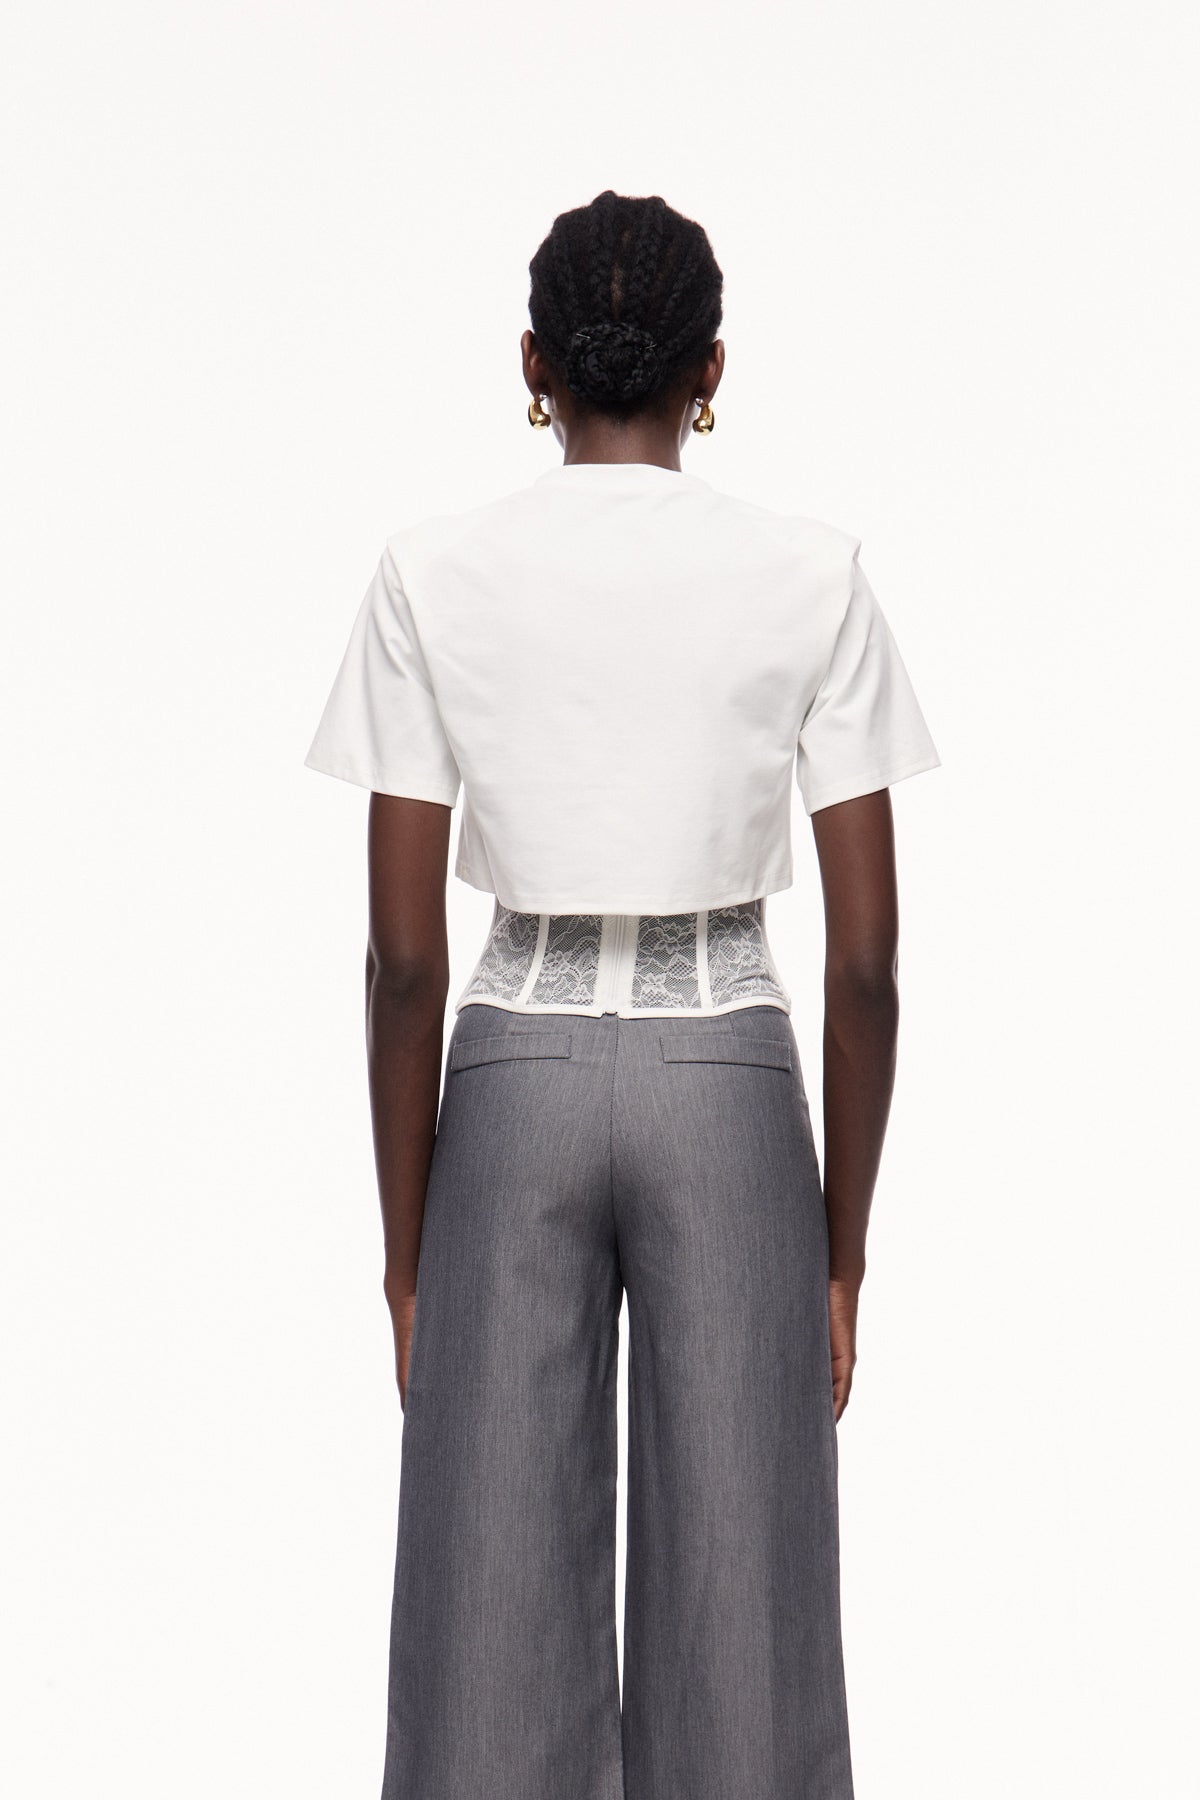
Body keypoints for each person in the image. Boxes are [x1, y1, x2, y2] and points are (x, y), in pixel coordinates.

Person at [303, 188, 940, 1800]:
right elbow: (866, 963)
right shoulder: (812, 574)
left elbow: (401, 964)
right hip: (728, 1080)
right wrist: (841, 1250)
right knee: (752, 1652)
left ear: (534, 364)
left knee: (481, 1646)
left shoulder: (431, 573)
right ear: (710, 371)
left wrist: (408, 1255)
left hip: (510, 1078)